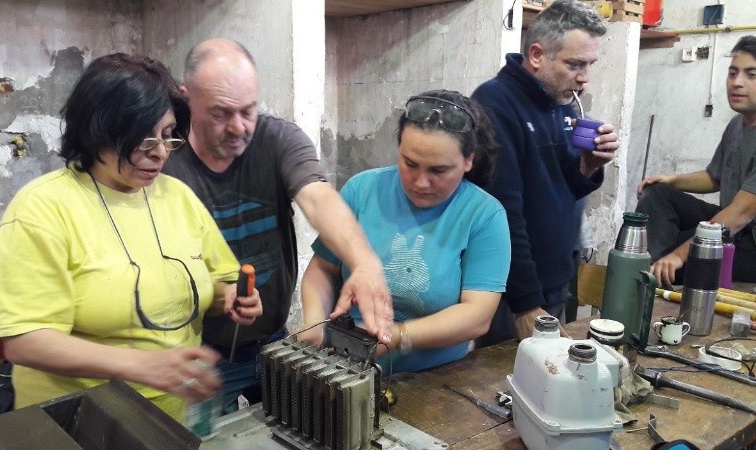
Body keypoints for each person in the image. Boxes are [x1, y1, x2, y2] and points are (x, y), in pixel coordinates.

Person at [0, 53, 262, 422]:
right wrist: (140, 365)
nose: (160, 152)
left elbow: (221, 278)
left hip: (174, 415)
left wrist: (231, 296)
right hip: (83, 419)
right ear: (98, 132)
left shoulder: (177, 197)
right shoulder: (44, 208)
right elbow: (24, 341)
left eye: (167, 135)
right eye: (143, 139)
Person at [162, 39, 392, 413]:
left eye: (248, 110)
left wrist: (364, 261)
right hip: (197, 355)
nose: (238, 127)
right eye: (220, 113)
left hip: (273, 340)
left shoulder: (276, 139)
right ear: (187, 99)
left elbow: (317, 196)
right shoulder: (165, 164)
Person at [299, 90, 511, 373]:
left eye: (439, 170)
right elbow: (324, 269)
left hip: (433, 380)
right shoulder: (362, 191)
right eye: (410, 164)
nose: (421, 182)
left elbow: (477, 315)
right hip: (348, 366)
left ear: (468, 160)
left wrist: (398, 336)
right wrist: (314, 321)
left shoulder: (484, 216)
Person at [471, 0, 619, 345]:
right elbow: (501, 212)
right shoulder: (495, 105)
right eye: (574, 64)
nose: (584, 77)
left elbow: (558, 186)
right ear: (537, 55)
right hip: (511, 292)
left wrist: (588, 165)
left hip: (552, 281)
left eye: (589, 64)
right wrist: (525, 304)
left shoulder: (559, 102)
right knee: (502, 388)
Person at [636, 35, 756, 287]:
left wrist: (679, 256)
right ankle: (652, 269)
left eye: (751, 75)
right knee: (658, 194)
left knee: (684, 246)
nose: (737, 83)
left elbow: (741, 213)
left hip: (750, 242)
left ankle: (652, 276)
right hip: (732, 231)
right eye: (732, 73)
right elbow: (715, 177)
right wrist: (671, 181)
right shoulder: (737, 125)